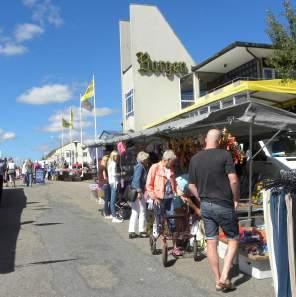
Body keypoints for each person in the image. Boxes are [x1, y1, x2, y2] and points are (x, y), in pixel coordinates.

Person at [188, 129, 240, 291]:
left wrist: (201, 198)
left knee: (211, 242)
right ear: (219, 141)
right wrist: (236, 199)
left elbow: (191, 185)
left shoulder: (195, 159)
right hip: (223, 204)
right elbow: (233, 180)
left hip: (205, 205)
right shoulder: (224, 155)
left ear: (205, 140)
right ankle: (225, 276)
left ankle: (217, 280)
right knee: (233, 238)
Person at [146, 150, 183, 256]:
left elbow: (174, 184)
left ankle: (175, 247)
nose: (173, 164)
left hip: (170, 199)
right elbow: (149, 185)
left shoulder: (171, 169)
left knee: (172, 222)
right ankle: (159, 241)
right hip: (159, 199)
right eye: (172, 161)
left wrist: (181, 195)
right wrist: (154, 197)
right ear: (166, 160)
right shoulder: (155, 167)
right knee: (160, 222)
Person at [128, 151, 149, 239]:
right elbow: (136, 180)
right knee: (142, 211)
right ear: (143, 159)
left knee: (135, 211)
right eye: (147, 159)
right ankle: (141, 231)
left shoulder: (138, 166)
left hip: (135, 191)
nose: (148, 160)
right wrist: (139, 192)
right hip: (138, 192)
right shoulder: (140, 167)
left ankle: (132, 231)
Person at [107, 150, 123, 223]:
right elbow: (114, 174)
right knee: (113, 200)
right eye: (116, 156)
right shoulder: (113, 164)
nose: (117, 157)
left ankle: (112, 214)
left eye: (118, 156)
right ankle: (114, 217)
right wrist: (121, 173)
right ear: (113, 156)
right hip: (114, 183)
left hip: (112, 182)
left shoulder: (110, 163)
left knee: (112, 200)